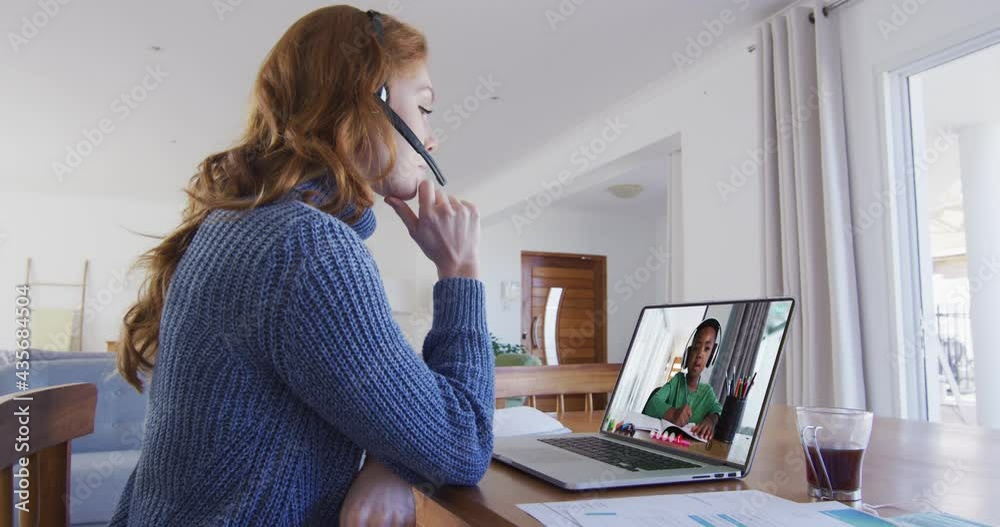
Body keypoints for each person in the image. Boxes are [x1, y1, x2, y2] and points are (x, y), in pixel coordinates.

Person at [109, 6, 492, 526]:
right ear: (370, 97)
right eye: (423, 109)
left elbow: (399, 411)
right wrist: (460, 270)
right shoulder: (307, 249)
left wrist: (393, 460)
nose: (431, 139)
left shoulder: (249, 226)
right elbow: (463, 443)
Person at [642, 319, 724, 440]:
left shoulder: (707, 393)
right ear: (688, 354)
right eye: (696, 348)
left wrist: (711, 420)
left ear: (711, 357)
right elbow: (652, 404)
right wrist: (673, 413)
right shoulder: (677, 381)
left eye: (706, 349)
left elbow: (719, 410)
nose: (700, 354)